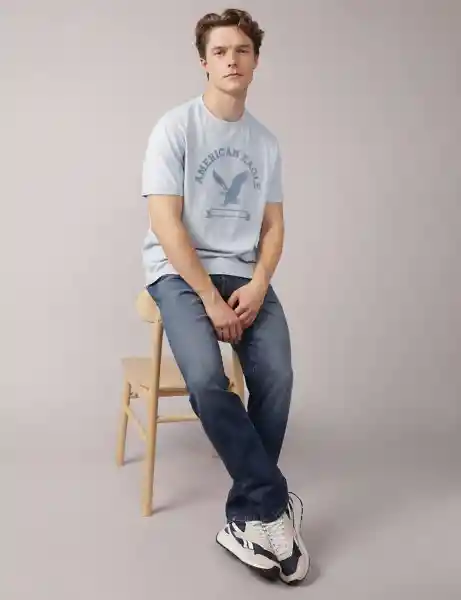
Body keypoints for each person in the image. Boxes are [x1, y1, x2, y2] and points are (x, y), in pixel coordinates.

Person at [140, 8, 310, 585]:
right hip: (179, 272)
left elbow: (275, 228)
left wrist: (258, 284)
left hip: (244, 275)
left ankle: (247, 516)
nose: (231, 60)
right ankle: (273, 505)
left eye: (242, 50)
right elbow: (165, 224)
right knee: (208, 381)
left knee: (278, 376)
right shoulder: (175, 128)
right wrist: (210, 298)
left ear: (256, 61)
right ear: (203, 62)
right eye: (220, 52)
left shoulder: (265, 143)